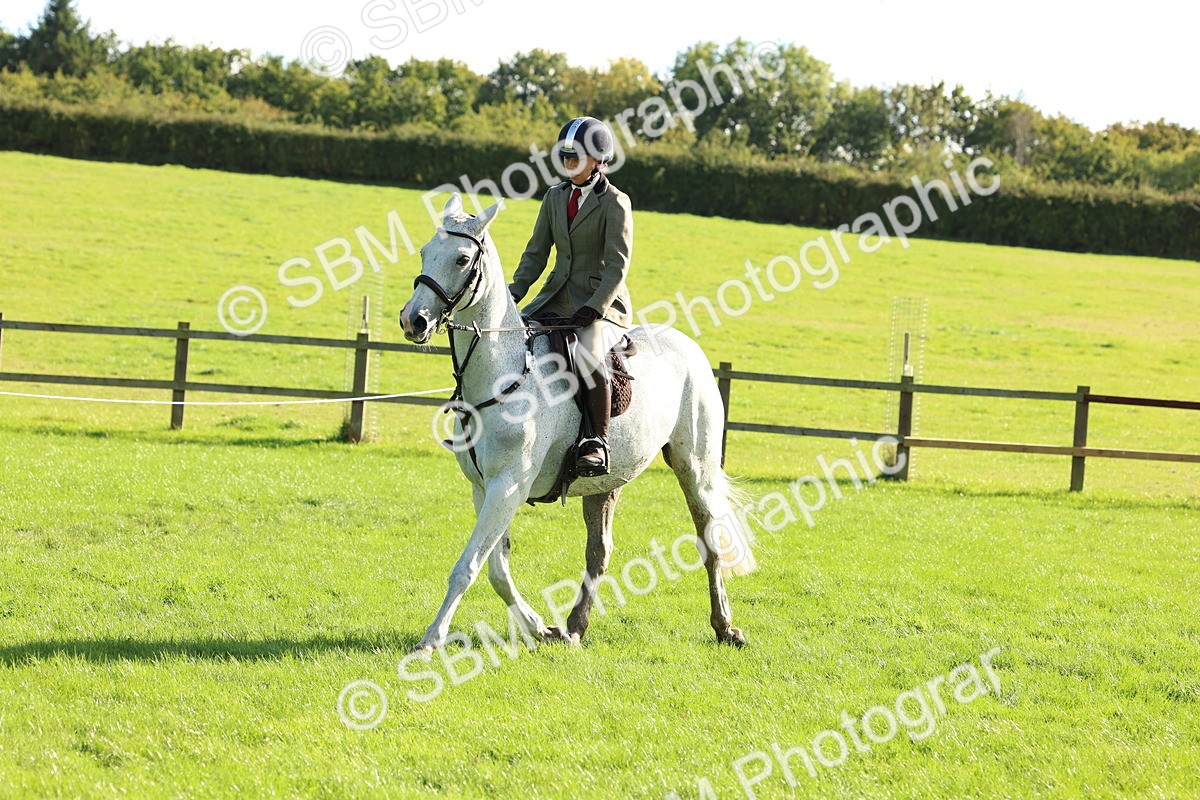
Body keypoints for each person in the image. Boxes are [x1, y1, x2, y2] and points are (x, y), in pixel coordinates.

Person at [508, 116, 633, 477]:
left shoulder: (615, 203)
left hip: (602, 305)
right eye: (565, 157)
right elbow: (535, 254)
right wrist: (512, 295)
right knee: (517, 342)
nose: (569, 164)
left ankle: (597, 441)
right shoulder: (554, 197)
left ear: (598, 160)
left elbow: (617, 266)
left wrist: (595, 307)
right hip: (556, 299)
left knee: (589, 354)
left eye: (576, 157)